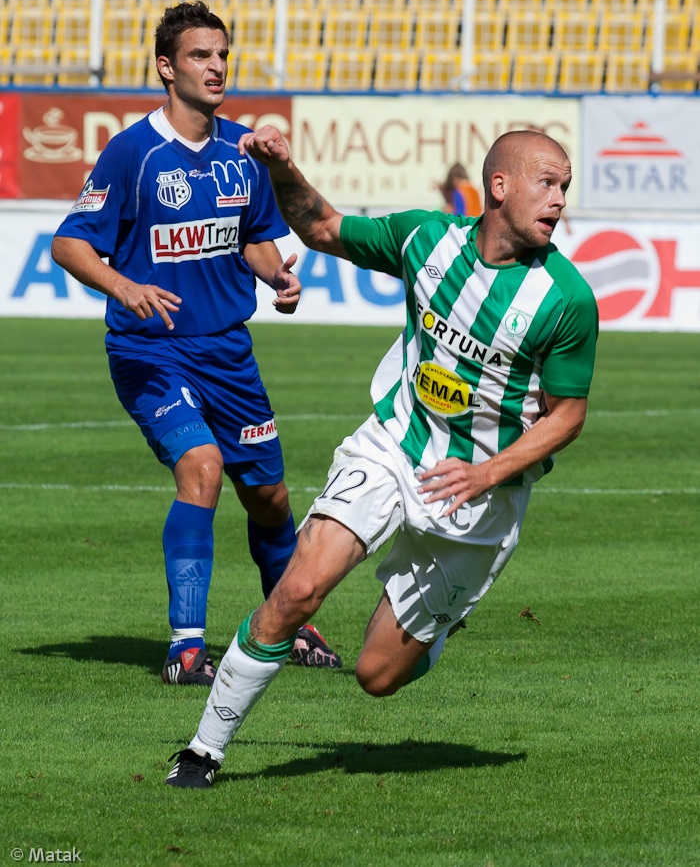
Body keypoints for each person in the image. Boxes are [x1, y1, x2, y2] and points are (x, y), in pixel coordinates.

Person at [164, 127, 599, 788]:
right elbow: (324, 228)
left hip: (479, 499)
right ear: (500, 187)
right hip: (395, 446)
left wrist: (484, 471)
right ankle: (202, 751)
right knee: (299, 590)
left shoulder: (564, 300)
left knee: (376, 676)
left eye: (565, 187)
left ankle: (434, 628)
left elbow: (568, 415)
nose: (559, 198)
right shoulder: (426, 240)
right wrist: (283, 167)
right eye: (548, 182)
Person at [51, 1, 342, 685]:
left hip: (228, 353)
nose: (216, 67)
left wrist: (280, 279)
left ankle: (289, 627)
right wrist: (124, 288)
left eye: (221, 55)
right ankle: (186, 647)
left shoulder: (241, 151)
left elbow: (254, 239)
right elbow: (69, 242)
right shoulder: (134, 152)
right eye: (199, 56)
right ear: (165, 66)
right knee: (202, 468)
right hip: (150, 351)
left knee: (269, 498)